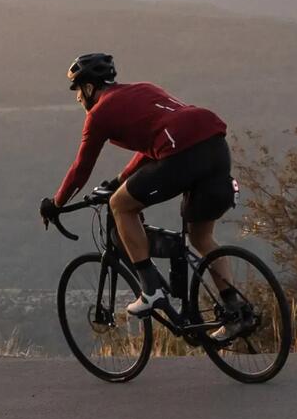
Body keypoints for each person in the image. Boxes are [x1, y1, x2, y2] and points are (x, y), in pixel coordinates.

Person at [38, 53, 253, 341]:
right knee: (201, 238)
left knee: (120, 205)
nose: (78, 98)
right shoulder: (144, 88)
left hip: (182, 153)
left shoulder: (98, 114)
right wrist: (118, 180)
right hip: (215, 146)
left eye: (77, 90)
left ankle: (151, 289)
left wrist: (56, 203)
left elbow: (81, 169)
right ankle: (235, 308)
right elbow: (151, 147)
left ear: (89, 88)